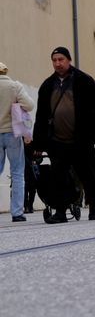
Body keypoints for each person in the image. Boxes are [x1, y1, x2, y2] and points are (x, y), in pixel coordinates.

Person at [32, 47, 95, 223]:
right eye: (54, 60)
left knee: (87, 175)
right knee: (58, 177)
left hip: (81, 140)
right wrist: (39, 144)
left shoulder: (84, 81)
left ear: (69, 60)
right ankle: (60, 211)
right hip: (57, 141)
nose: (57, 63)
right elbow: (40, 116)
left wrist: (92, 130)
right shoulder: (47, 85)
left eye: (61, 59)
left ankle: (94, 206)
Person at [0, 62, 36, 222]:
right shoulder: (15, 86)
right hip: (13, 133)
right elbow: (30, 105)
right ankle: (17, 212)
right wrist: (15, 105)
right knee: (17, 172)